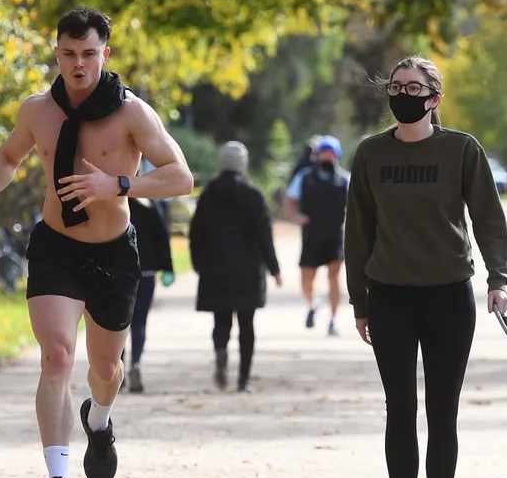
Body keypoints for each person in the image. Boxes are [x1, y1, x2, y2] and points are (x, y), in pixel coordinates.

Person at [0, 6, 194, 478]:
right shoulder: (38, 110)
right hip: (56, 247)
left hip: (114, 252)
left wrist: (120, 185)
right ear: (57, 54)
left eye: (88, 53)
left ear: (104, 54)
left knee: (105, 370)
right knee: (57, 356)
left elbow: (181, 177)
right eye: (68, 54)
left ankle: (100, 420)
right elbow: (7, 157)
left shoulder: (133, 113)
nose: (78, 64)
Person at [344, 55, 507, 478]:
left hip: (448, 297)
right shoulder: (371, 153)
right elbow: (358, 231)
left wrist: (498, 279)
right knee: (399, 408)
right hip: (391, 297)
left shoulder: (461, 150)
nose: (403, 95)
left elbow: (489, 217)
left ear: (434, 99)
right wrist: (360, 302)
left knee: (443, 410)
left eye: (414, 88)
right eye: (396, 87)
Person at [189, 141, 283, 393]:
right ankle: (243, 379)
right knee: (246, 324)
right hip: (247, 269)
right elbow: (264, 234)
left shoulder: (209, 194)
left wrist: (197, 262)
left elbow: (196, 231)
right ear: (243, 163)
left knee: (221, 321)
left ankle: (221, 352)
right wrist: (274, 268)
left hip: (215, 267)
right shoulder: (252, 195)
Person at [283, 135, 350, 335]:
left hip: (335, 235)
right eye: (324, 154)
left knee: (334, 276)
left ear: (337, 156)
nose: (327, 158)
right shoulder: (304, 177)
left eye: (331, 154)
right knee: (306, 278)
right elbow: (289, 201)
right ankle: (312, 305)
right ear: (317, 155)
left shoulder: (345, 179)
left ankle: (333, 319)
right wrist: (295, 217)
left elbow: (358, 204)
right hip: (311, 235)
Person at [123, 196, 175, 394]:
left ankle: (116, 369)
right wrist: (168, 268)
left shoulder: (109, 201)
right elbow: (162, 236)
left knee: (116, 323)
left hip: (118, 270)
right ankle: (135, 364)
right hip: (147, 269)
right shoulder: (149, 205)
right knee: (139, 321)